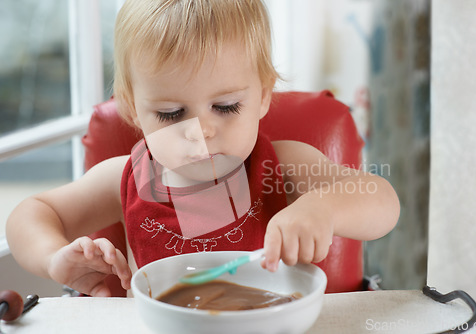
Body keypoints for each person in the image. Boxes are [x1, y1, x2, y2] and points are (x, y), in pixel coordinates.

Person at [6, 0, 400, 297]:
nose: (200, 131)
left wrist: (323, 208)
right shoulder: (124, 179)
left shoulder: (285, 166)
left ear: (263, 96)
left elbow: (381, 200)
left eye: (226, 107)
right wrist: (54, 257)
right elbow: (31, 213)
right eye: (171, 113)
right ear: (132, 109)